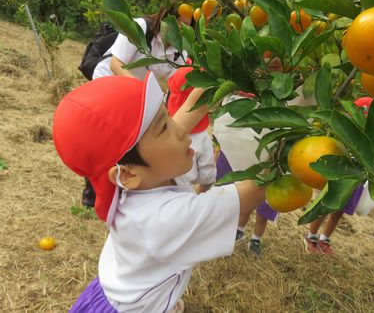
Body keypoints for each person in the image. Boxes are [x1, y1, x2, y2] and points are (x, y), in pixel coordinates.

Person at [53, 73, 267, 312]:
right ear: (128, 175)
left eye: (167, 115)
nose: (180, 130)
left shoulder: (146, 176)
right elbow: (257, 189)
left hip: (112, 293)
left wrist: (226, 73)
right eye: (164, 126)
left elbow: (189, 110)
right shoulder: (165, 219)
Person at [81, 0, 191, 208]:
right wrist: (145, 96)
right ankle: (92, 193)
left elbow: (173, 83)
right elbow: (116, 64)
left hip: (134, 94)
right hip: (108, 84)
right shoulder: (141, 27)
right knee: (105, 141)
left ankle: (118, 190)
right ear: (167, 17)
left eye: (189, 27)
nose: (184, 30)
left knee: (127, 144)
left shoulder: (180, 50)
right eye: (180, 23)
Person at [303, 97, 373, 255]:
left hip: (356, 175)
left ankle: (324, 238)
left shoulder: (371, 135)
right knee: (324, 206)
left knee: (339, 211)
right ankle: (311, 236)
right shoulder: (344, 130)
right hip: (339, 172)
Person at [216, 150, 278, 257]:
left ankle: (256, 239)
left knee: (262, 216)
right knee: (246, 206)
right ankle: (240, 230)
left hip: (272, 177)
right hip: (256, 166)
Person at [166, 67, 216, 193]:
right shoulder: (203, 137)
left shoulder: (162, 134)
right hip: (186, 194)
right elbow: (208, 175)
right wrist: (199, 193)